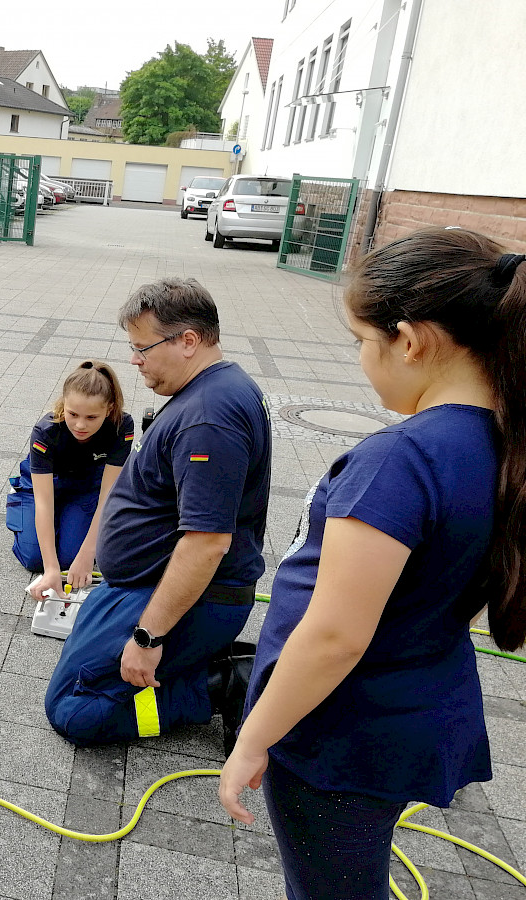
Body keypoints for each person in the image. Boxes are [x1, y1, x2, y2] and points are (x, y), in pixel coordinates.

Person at [218, 229, 526, 900]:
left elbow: (334, 637)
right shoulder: (504, 442)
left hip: (341, 729)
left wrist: (254, 737)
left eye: (362, 339)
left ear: (410, 340)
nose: (361, 357)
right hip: (410, 703)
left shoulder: (402, 460)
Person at [44, 277, 271, 749]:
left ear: (188, 341)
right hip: (143, 580)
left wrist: (148, 639)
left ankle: (220, 687)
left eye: (142, 347)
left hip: (184, 593)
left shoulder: (210, 417)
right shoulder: (215, 387)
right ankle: (200, 661)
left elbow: (207, 543)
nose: (133, 359)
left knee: (74, 711)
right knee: (78, 671)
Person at [7, 360, 132, 600]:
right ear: (64, 404)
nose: (80, 425)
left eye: (92, 417)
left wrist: (88, 553)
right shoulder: (45, 431)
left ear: (109, 409)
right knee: (36, 559)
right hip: (42, 487)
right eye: (72, 414)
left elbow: (109, 495)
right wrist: (51, 570)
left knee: (71, 558)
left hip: (85, 488)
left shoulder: (121, 426)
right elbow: (44, 502)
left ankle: (66, 522)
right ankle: (19, 507)